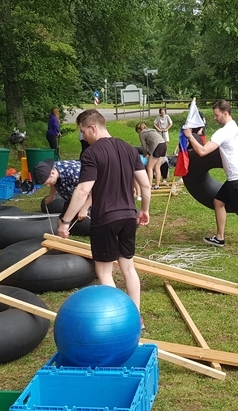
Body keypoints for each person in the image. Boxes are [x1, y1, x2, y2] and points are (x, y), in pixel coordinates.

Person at [58, 109, 151, 323]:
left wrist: (65, 221)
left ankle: (121, 320)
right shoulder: (129, 149)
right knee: (128, 267)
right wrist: (144, 210)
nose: (83, 137)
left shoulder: (91, 154)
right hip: (129, 216)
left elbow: (83, 190)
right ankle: (135, 316)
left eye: (83, 132)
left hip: (105, 219)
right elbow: (145, 185)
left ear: (93, 127)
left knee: (105, 272)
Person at [187, 100, 238, 257]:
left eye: (216, 115)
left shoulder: (223, 132)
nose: (215, 118)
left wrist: (190, 136)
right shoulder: (233, 126)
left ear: (225, 113)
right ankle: (219, 237)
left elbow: (202, 151)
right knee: (218, 202)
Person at [135, 123, 167, 189]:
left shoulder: (142, 134)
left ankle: (149, 185)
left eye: (137, 131)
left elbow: (144, 147)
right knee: (157, 167)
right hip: (164, 145)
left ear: (139, 130)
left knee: (149, 167)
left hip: (157, 146)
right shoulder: (152, 130)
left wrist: (144, 155)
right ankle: (157, 185)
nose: (138, 133)